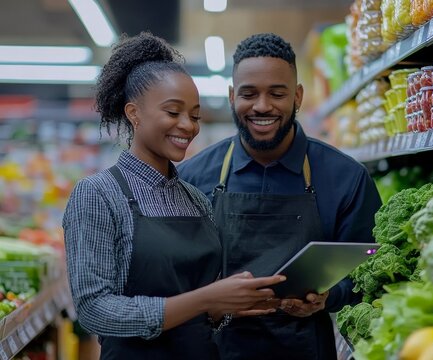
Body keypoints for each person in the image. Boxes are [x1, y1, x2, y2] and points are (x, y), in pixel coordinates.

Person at [62, 32, 285, 360]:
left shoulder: (194, 199)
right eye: (173, 112)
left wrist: (227, 306)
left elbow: (200, 308)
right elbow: (95, 310)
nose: (188, 126)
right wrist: (205, 299)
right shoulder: (98, 194)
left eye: (194, 116)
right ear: (133, 114)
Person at [177, 33, 382, 360]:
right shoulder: (191, 178)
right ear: (232, 97)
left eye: (277, 93)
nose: (262, 106)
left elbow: (370, 276)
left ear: (298, 97)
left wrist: (329, 296)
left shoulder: (346, 178)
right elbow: (175, 280)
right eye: (249, 93)